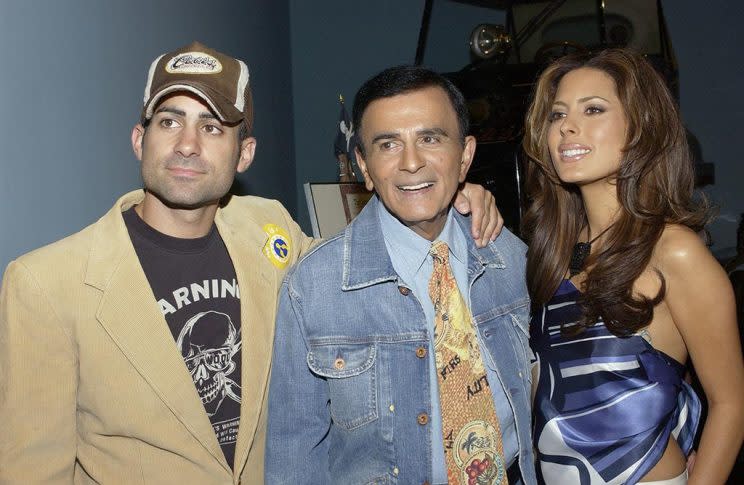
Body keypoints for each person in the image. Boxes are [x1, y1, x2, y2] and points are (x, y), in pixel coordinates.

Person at [0, 42, 501, 484]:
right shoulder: (46, 283)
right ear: (139, 139)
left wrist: (447, 204)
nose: (188, 145)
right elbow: (31, 470)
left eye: (213, 127)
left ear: (245, 154)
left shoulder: (270, 230)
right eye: (169, 121)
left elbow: (359, 269)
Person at [265, 65, 536, 485]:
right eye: (388, 144)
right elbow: (294, 449)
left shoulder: (511, 260)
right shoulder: (314, 287)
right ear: (364, 166)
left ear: (464, 155)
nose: (411, 163)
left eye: (430, 139)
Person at [522, 48, 744, 484]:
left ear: (640, 128)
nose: (567, 126)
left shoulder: (673, 252)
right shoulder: (551, 253)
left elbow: (731, 404)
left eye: (594, 109)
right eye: (557, 114)